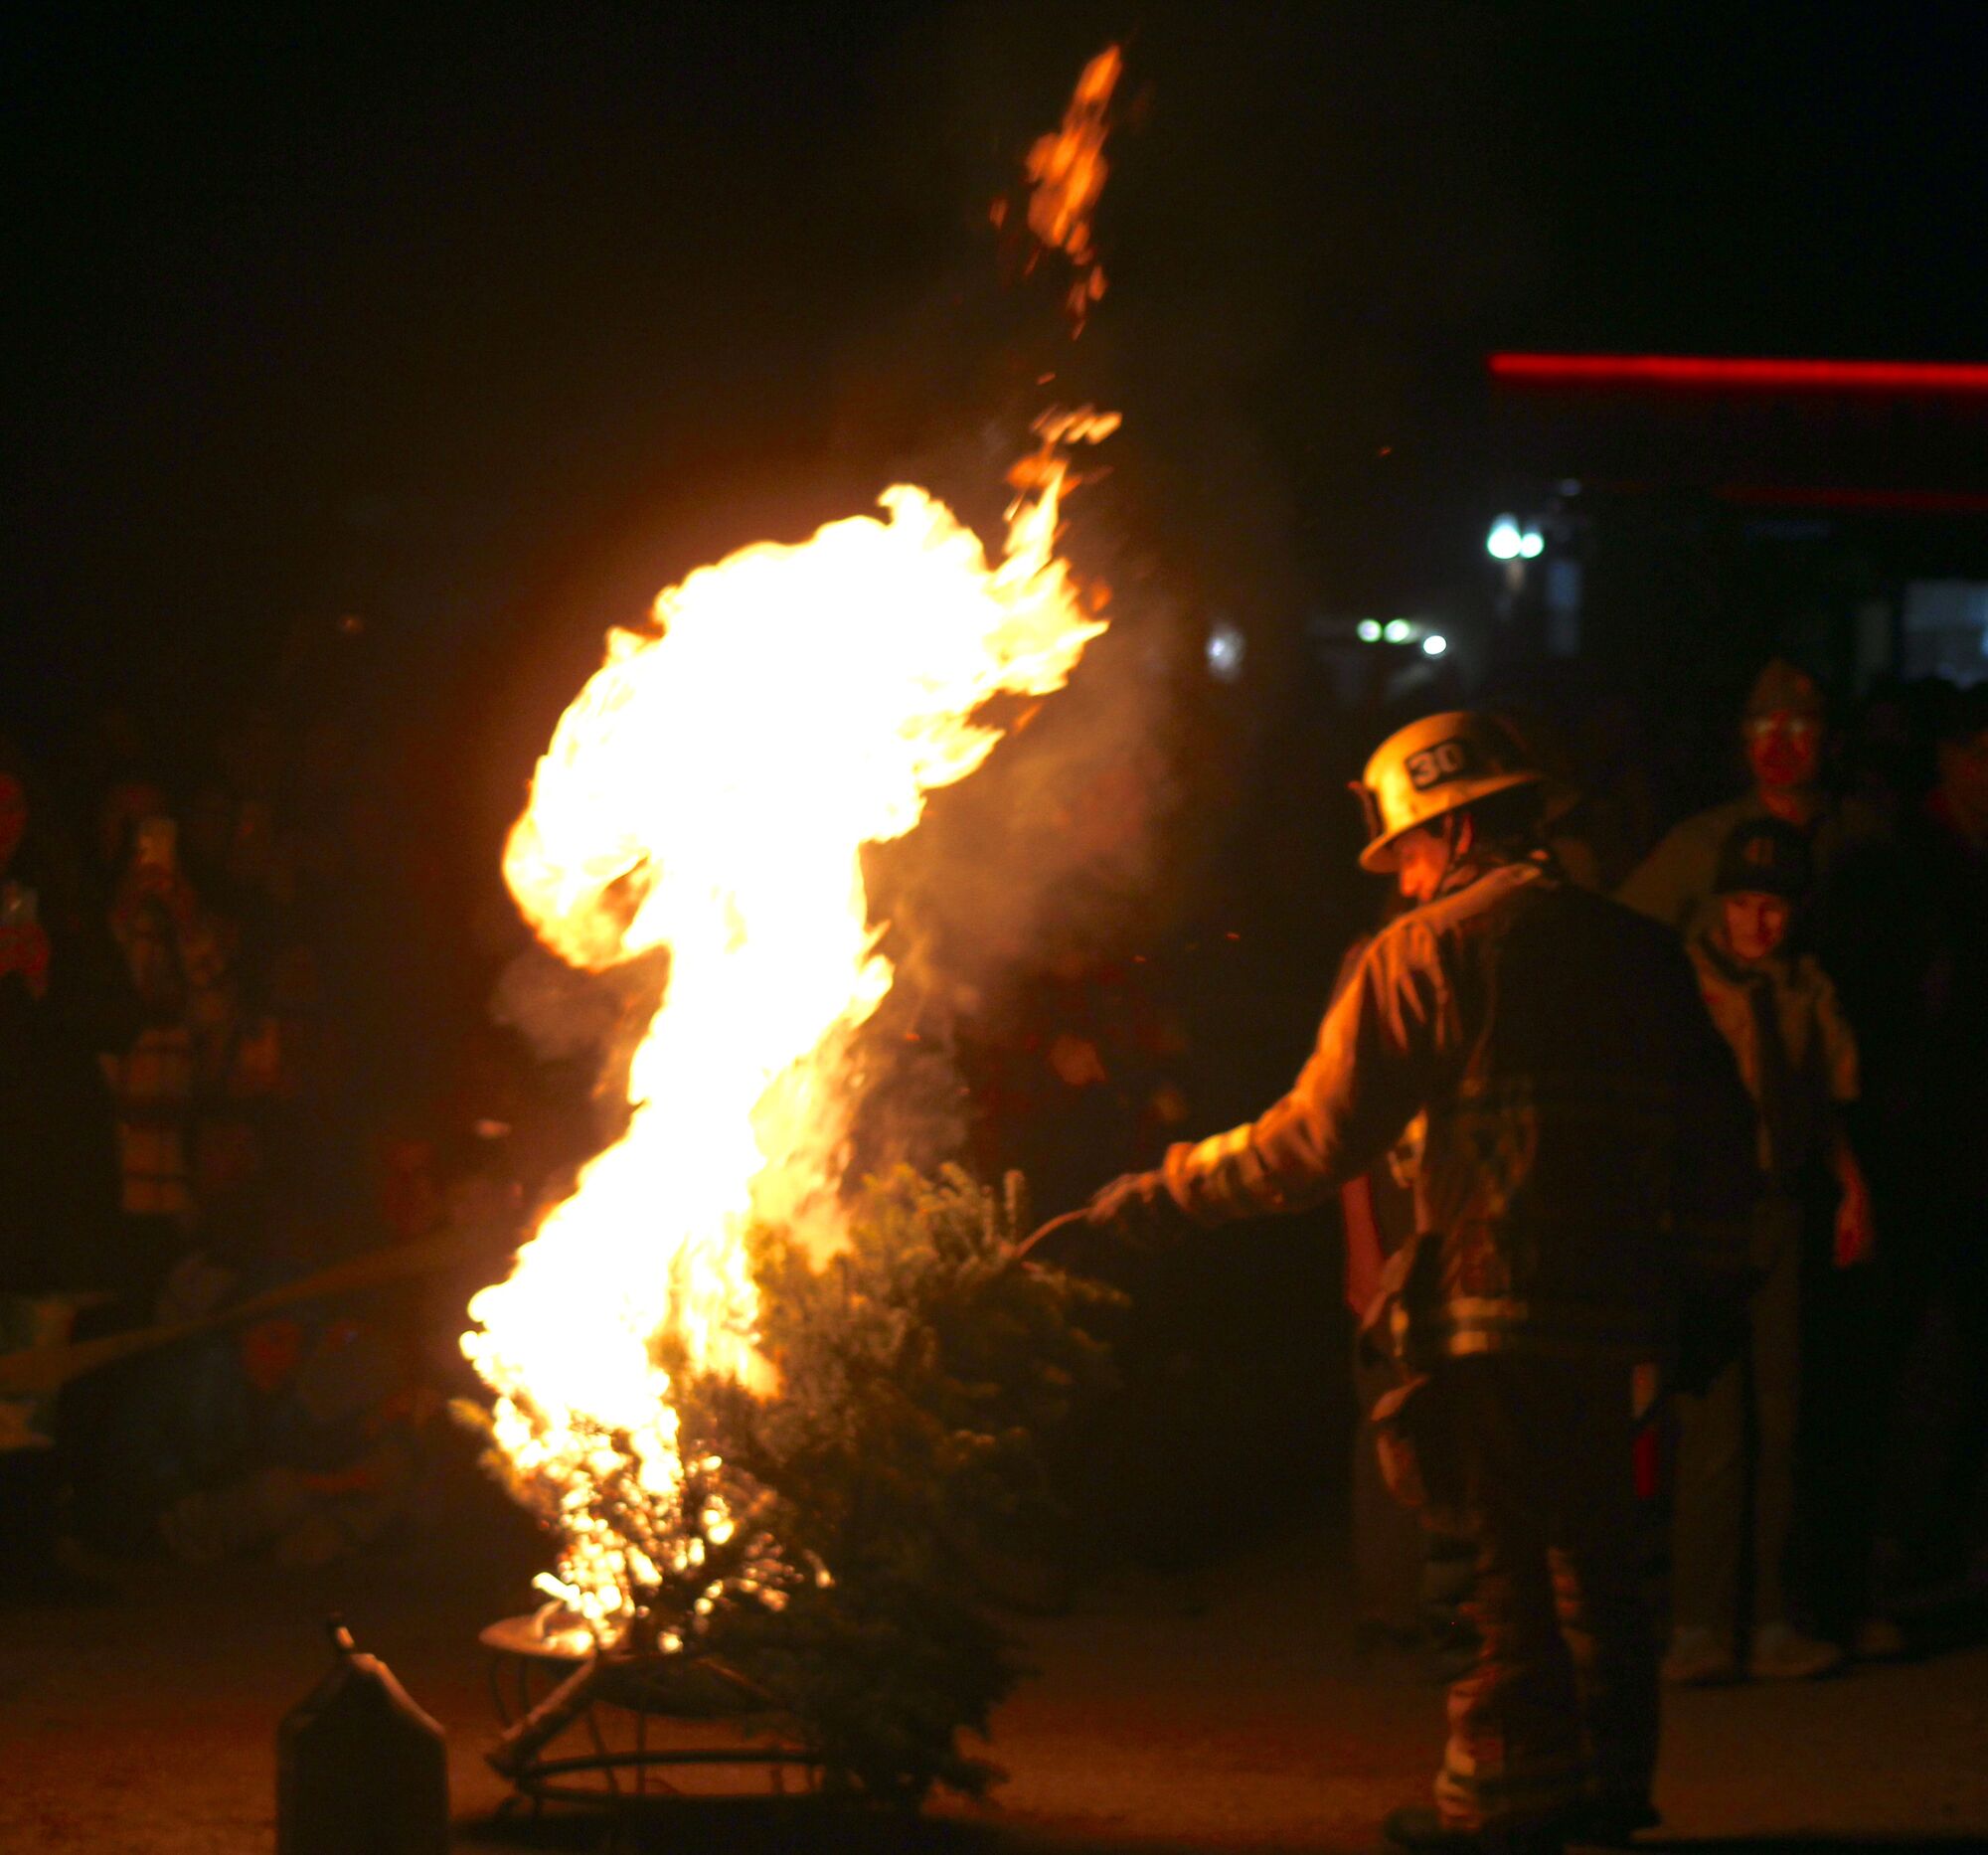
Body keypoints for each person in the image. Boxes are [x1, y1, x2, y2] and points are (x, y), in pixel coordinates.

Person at [1028, 711, 1759, 1855]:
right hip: (1615, 1312)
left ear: (1454, 826)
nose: (1404, 878)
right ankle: (1609, 1789)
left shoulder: (1419, 956)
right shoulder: (1635, 950)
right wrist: (1713, 1291)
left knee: (1490, 1574)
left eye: (1406, 852)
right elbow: (1720, 1138)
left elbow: (1311, 1142)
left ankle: (1499, 1805)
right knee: (1597, 1559)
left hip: (1481, 1311)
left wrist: (1158, 1197)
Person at [1664, 818, 1872, 1686]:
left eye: (1775, 908)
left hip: (1782, 1213)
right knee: (1712, 1427)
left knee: (1781, 1420)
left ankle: (1774, 1619)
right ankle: (1699, 1625)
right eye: (1745, 904)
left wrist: (1853, 1188)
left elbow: (1825, 1102)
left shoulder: (1802, 992)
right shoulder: (1684, 988)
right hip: (1708, 1219)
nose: (1759, 924)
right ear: (1720, 905)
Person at [1617, 659, 1887, 944]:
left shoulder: (1864, 833)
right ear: (1746, 740)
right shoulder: (1699, 842)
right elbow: (1619, 934)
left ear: (1831, 741)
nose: (1777, 745)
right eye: (1761, 727)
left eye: (1797, 727)